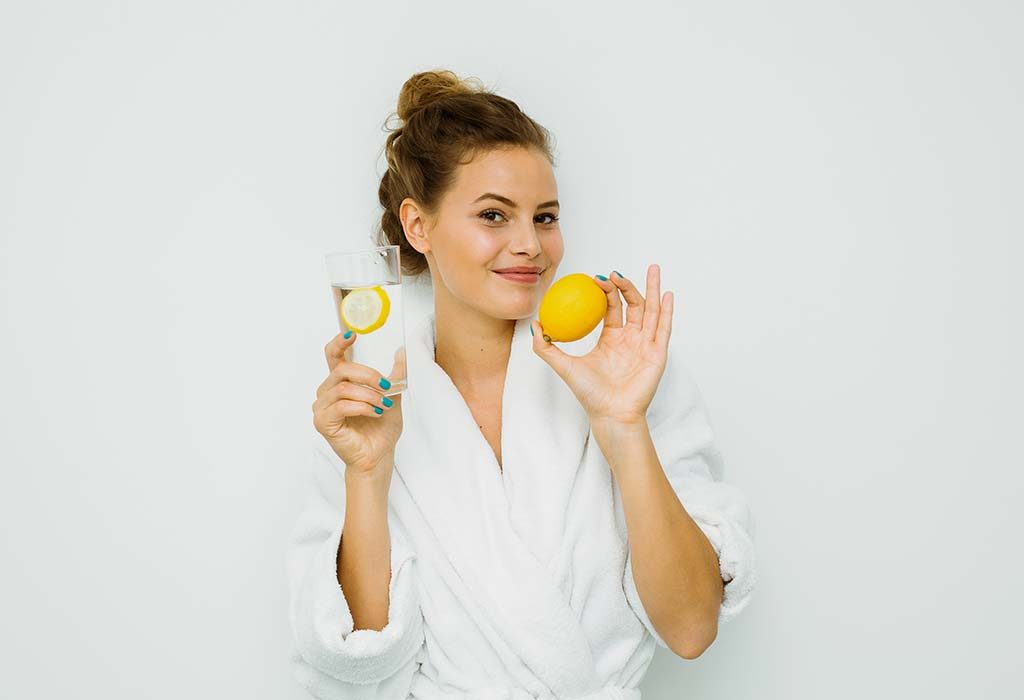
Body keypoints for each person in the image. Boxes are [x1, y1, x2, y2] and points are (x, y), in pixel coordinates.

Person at [287, 69, 757, 699]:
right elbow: (361, 667)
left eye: (545, 217)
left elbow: (692, 628)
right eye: (493, 215)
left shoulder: (621, 373)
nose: (529, 246)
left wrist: (623, 427)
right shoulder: (366, 401)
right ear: (417, 226)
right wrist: (367, 474)